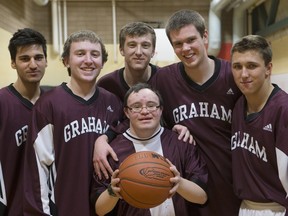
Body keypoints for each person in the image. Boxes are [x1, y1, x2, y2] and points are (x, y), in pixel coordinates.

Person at [149, 9, 243, 216]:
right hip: (185, 188)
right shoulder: (163, 80)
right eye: (178, 43)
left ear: (205, 36)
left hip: (231, 183)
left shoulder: (233, 75)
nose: (186, 48)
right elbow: (144, 118)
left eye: (191, 39)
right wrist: (169, 127)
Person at [23, 30, 123, 216]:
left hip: (107, 208)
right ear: (66, 61)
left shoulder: (113, 103)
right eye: (80, 54)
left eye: (95, 54)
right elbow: (37, 169)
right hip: (65, 207)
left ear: (102, 62)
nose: (88, 60)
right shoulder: (48, 104)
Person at [94, 22, 194, 179]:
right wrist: (102, 139)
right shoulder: (106, 85)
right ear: (121, 49)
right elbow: (103, 125)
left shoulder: (167, 80)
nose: (138, 52)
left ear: (153, 51)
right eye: (132, 45)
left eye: (145, 45)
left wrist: (182, 126)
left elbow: (174, 117)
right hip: (122, 160)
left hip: (161, 157)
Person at [91, 83, 208, 216]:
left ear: (161, 109)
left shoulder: (181, 143)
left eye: (151, 105)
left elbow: (202, 197)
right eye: (136, 107)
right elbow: (99, 210)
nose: (145, 111)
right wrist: (113, 192)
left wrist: (179, 183)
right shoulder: (112, 151)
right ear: (126, 112)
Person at [230, 35, 288, 216]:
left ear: (268, 68)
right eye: (237, 67)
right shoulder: (238, 105)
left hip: (277, 209)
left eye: (252, 66)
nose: (243, 74)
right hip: (245, 207)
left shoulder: (283, 110)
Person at [0, 28, 47, 215]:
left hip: (47, 207)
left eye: (38, 57)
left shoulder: (55, 103)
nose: (33, 65)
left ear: (46, 60)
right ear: (13, 63)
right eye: (25, 59)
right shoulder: (3, 102)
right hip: (11, 207)